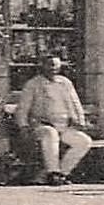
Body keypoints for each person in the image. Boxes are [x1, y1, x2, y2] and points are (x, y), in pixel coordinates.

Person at [14, 55, 93, 186]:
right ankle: (53, 172)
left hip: (64, 125)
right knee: (50, 134)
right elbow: (23, 107)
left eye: (56, 65)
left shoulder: (65, 83)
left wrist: (80, 121)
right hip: (42, 125)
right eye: (50, 65)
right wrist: (23, 126)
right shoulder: (33, 84)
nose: (53, 68)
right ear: (42, 66)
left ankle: (62, 173)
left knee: (83, 141)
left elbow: (75, 102)